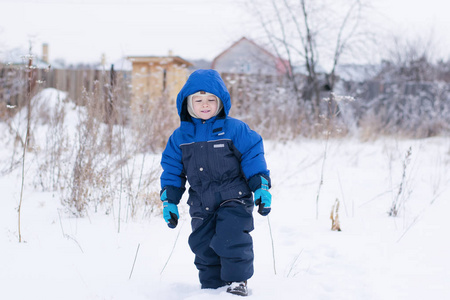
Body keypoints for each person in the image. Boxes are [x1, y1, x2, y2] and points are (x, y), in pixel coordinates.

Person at [160, 69, 272, 296]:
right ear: (187, 103)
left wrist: (260, 187)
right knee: (202, 245)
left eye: (211, 99)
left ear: (221, 102)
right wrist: (169, 201)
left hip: (234, 196)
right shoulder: (180, 137)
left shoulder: (235, 129)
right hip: (200, 201)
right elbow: (172, 170)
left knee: (232, 238)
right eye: (198, 100)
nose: (205, 105)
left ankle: (237, 281)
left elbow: (253, 156)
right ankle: (211, 288)